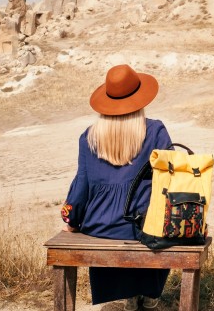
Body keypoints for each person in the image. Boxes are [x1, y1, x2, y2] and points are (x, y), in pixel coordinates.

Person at [61, 64, 171, 311]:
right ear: (141, 99)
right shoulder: (154, 130)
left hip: (100, 225)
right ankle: (148, 294)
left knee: (117, 230)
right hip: (143, 226)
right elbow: (168, 180)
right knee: (154, 226)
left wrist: (72, 220)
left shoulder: (89, 136)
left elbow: (82, 186)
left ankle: (127, 295)